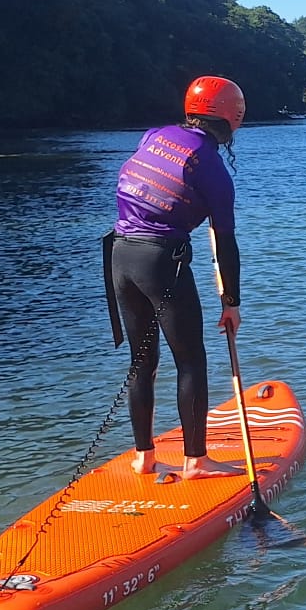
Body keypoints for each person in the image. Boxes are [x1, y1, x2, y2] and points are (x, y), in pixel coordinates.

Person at [105, 75, 246, 479]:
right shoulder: (214, 169)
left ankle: (143, 456)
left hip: (120, 254)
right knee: (190, 361)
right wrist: (231, 303)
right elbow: (225, 242)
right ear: (233, 117)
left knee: (141, 361)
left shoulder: (155, 134)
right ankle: (196, 462)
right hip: (161, 260)